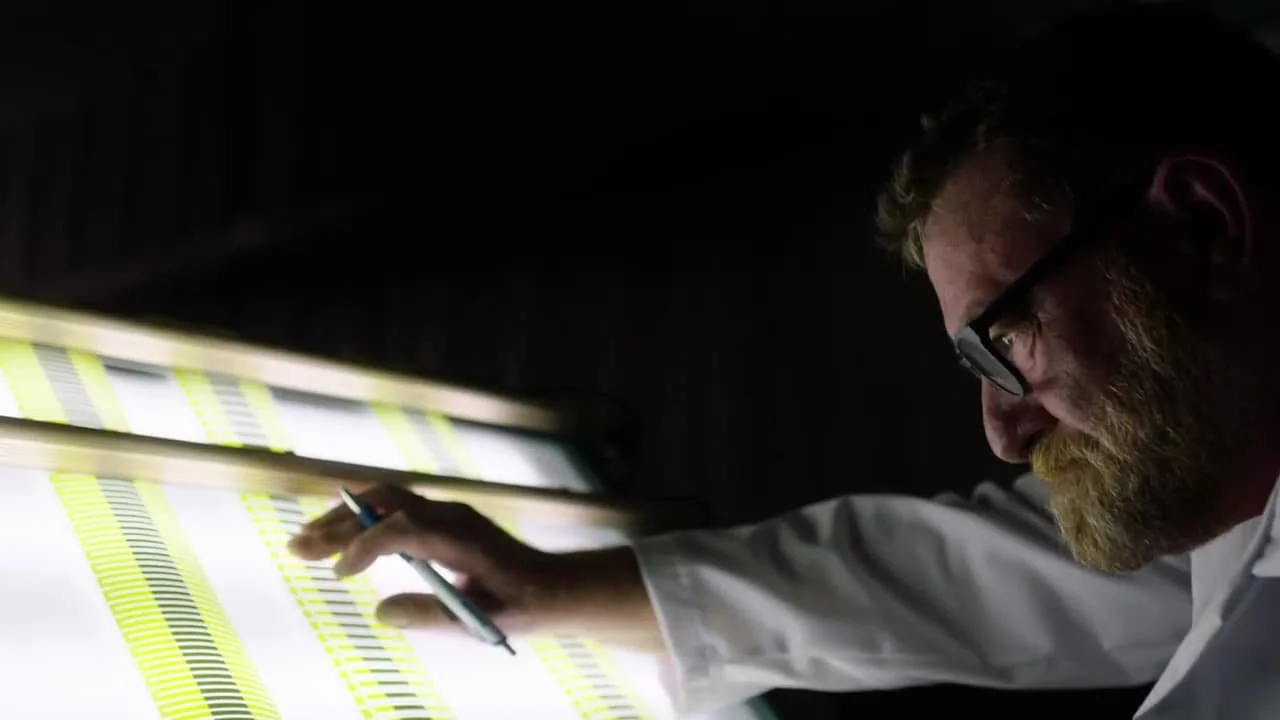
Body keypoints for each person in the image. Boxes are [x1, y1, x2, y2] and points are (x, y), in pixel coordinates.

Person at [287, 3, 1280, 718]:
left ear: (1201, 229)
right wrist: (550, 591)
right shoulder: (1230, 484)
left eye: (1005, 338)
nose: (1003, 433)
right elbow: (967, 578)